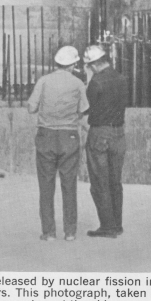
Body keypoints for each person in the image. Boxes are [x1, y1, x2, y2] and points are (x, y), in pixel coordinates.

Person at [27, 44, 89, 241]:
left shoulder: (43, 81)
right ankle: (69, 232)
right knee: (69, 185)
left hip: (46, 136)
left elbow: (31, 108)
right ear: (73, 65)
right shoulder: (78, 83)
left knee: (46, 186)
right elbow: (83, 110)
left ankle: (49, 232)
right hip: (69, 137)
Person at [83, 43, 127, 238]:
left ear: (93, 64)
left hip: (100, 133)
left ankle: (107, 226)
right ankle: (117, 224)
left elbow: (88, 107)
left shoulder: (96, 82)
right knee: (115, 181)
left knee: (100, 182)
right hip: (119, 134)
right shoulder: (121, 78)